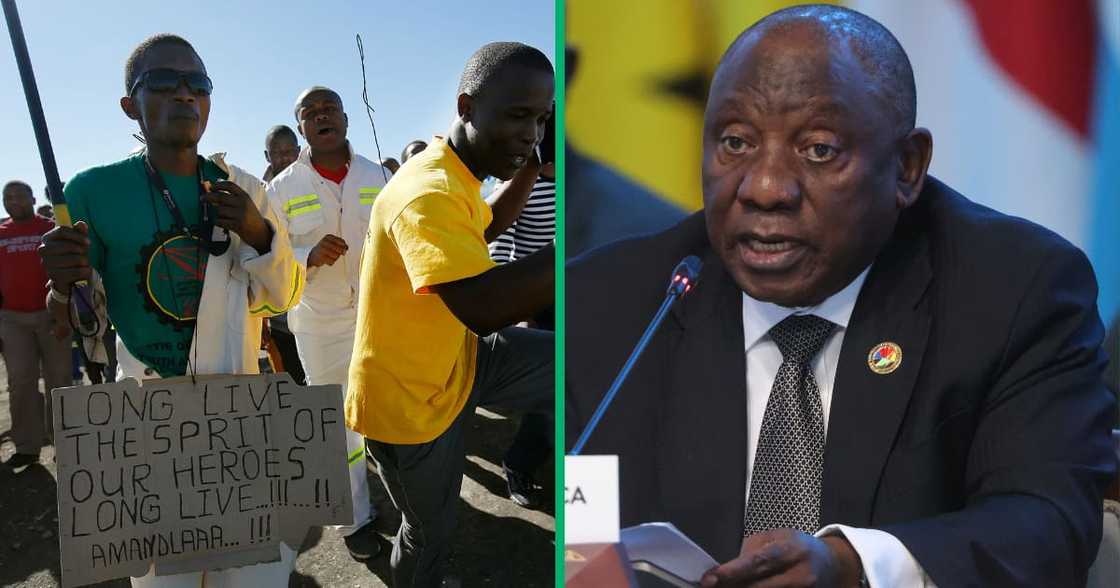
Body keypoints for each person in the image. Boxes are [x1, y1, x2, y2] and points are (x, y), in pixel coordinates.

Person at [566, 6, 1118, 587]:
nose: (766, 187)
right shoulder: (613, 301)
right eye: (735, 142)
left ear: (907, 168)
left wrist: (855, 567)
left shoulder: (1014, 289)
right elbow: (582, 537)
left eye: (818, 149)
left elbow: (1048, 522)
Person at [38, 34, 303, 587]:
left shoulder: (246, 187)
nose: (185, 95)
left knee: (254, 573)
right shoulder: (92, 191)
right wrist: (63, 285)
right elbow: (73, 322)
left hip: (241, 415)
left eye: (197, 85)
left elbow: (286, 297)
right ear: (129, 104)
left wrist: (257, 233)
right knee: (166, 578)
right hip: (151, 425)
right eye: (163, 82)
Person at [347, 42, 555, 587]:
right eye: (517, 116)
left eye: (541, 119)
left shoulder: (457, 175)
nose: (530, 132)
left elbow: (483, 230)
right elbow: (484, 307)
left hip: (457, 360)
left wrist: (532, 169)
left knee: (580, 364)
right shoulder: (427, 190)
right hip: (411, 403)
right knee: (429, 534)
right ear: (466, 107)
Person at [266, 85, 391, 561]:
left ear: (345, 118)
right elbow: (269, 257)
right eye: (310, 112)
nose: (322, 117)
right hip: (319, 325)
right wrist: (306, 255)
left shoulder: (376, 175)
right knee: (339, 427)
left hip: (379, 316)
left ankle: (405, 502)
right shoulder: (282, 189)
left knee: (386, 412)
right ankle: (354, 519)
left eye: (329, 109)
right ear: (300, 126)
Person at [486, 113, 557, 507]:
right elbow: (498, 252)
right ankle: (520, 464)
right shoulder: (516, 185)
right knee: (553, 395)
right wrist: (519, 314)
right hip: (538, 300)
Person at [0, 180, 70, 473]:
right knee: (20, 382)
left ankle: (66, 445)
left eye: (19, 196)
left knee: (60, 380)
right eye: (7, 197)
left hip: (50, 314)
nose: (13, 201)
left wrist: (65, 312)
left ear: (31, 198)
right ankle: (27, 447)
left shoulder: (49, 228)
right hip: (12, 318)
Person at [259, 124, 306, 386]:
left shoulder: (313, 184)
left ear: (299, 152)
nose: (285, 158)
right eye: (277, 152)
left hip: (315, 308)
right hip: (278, 316)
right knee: (291, 387)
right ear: (267, 156)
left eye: (290, 151)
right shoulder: (257, 193)